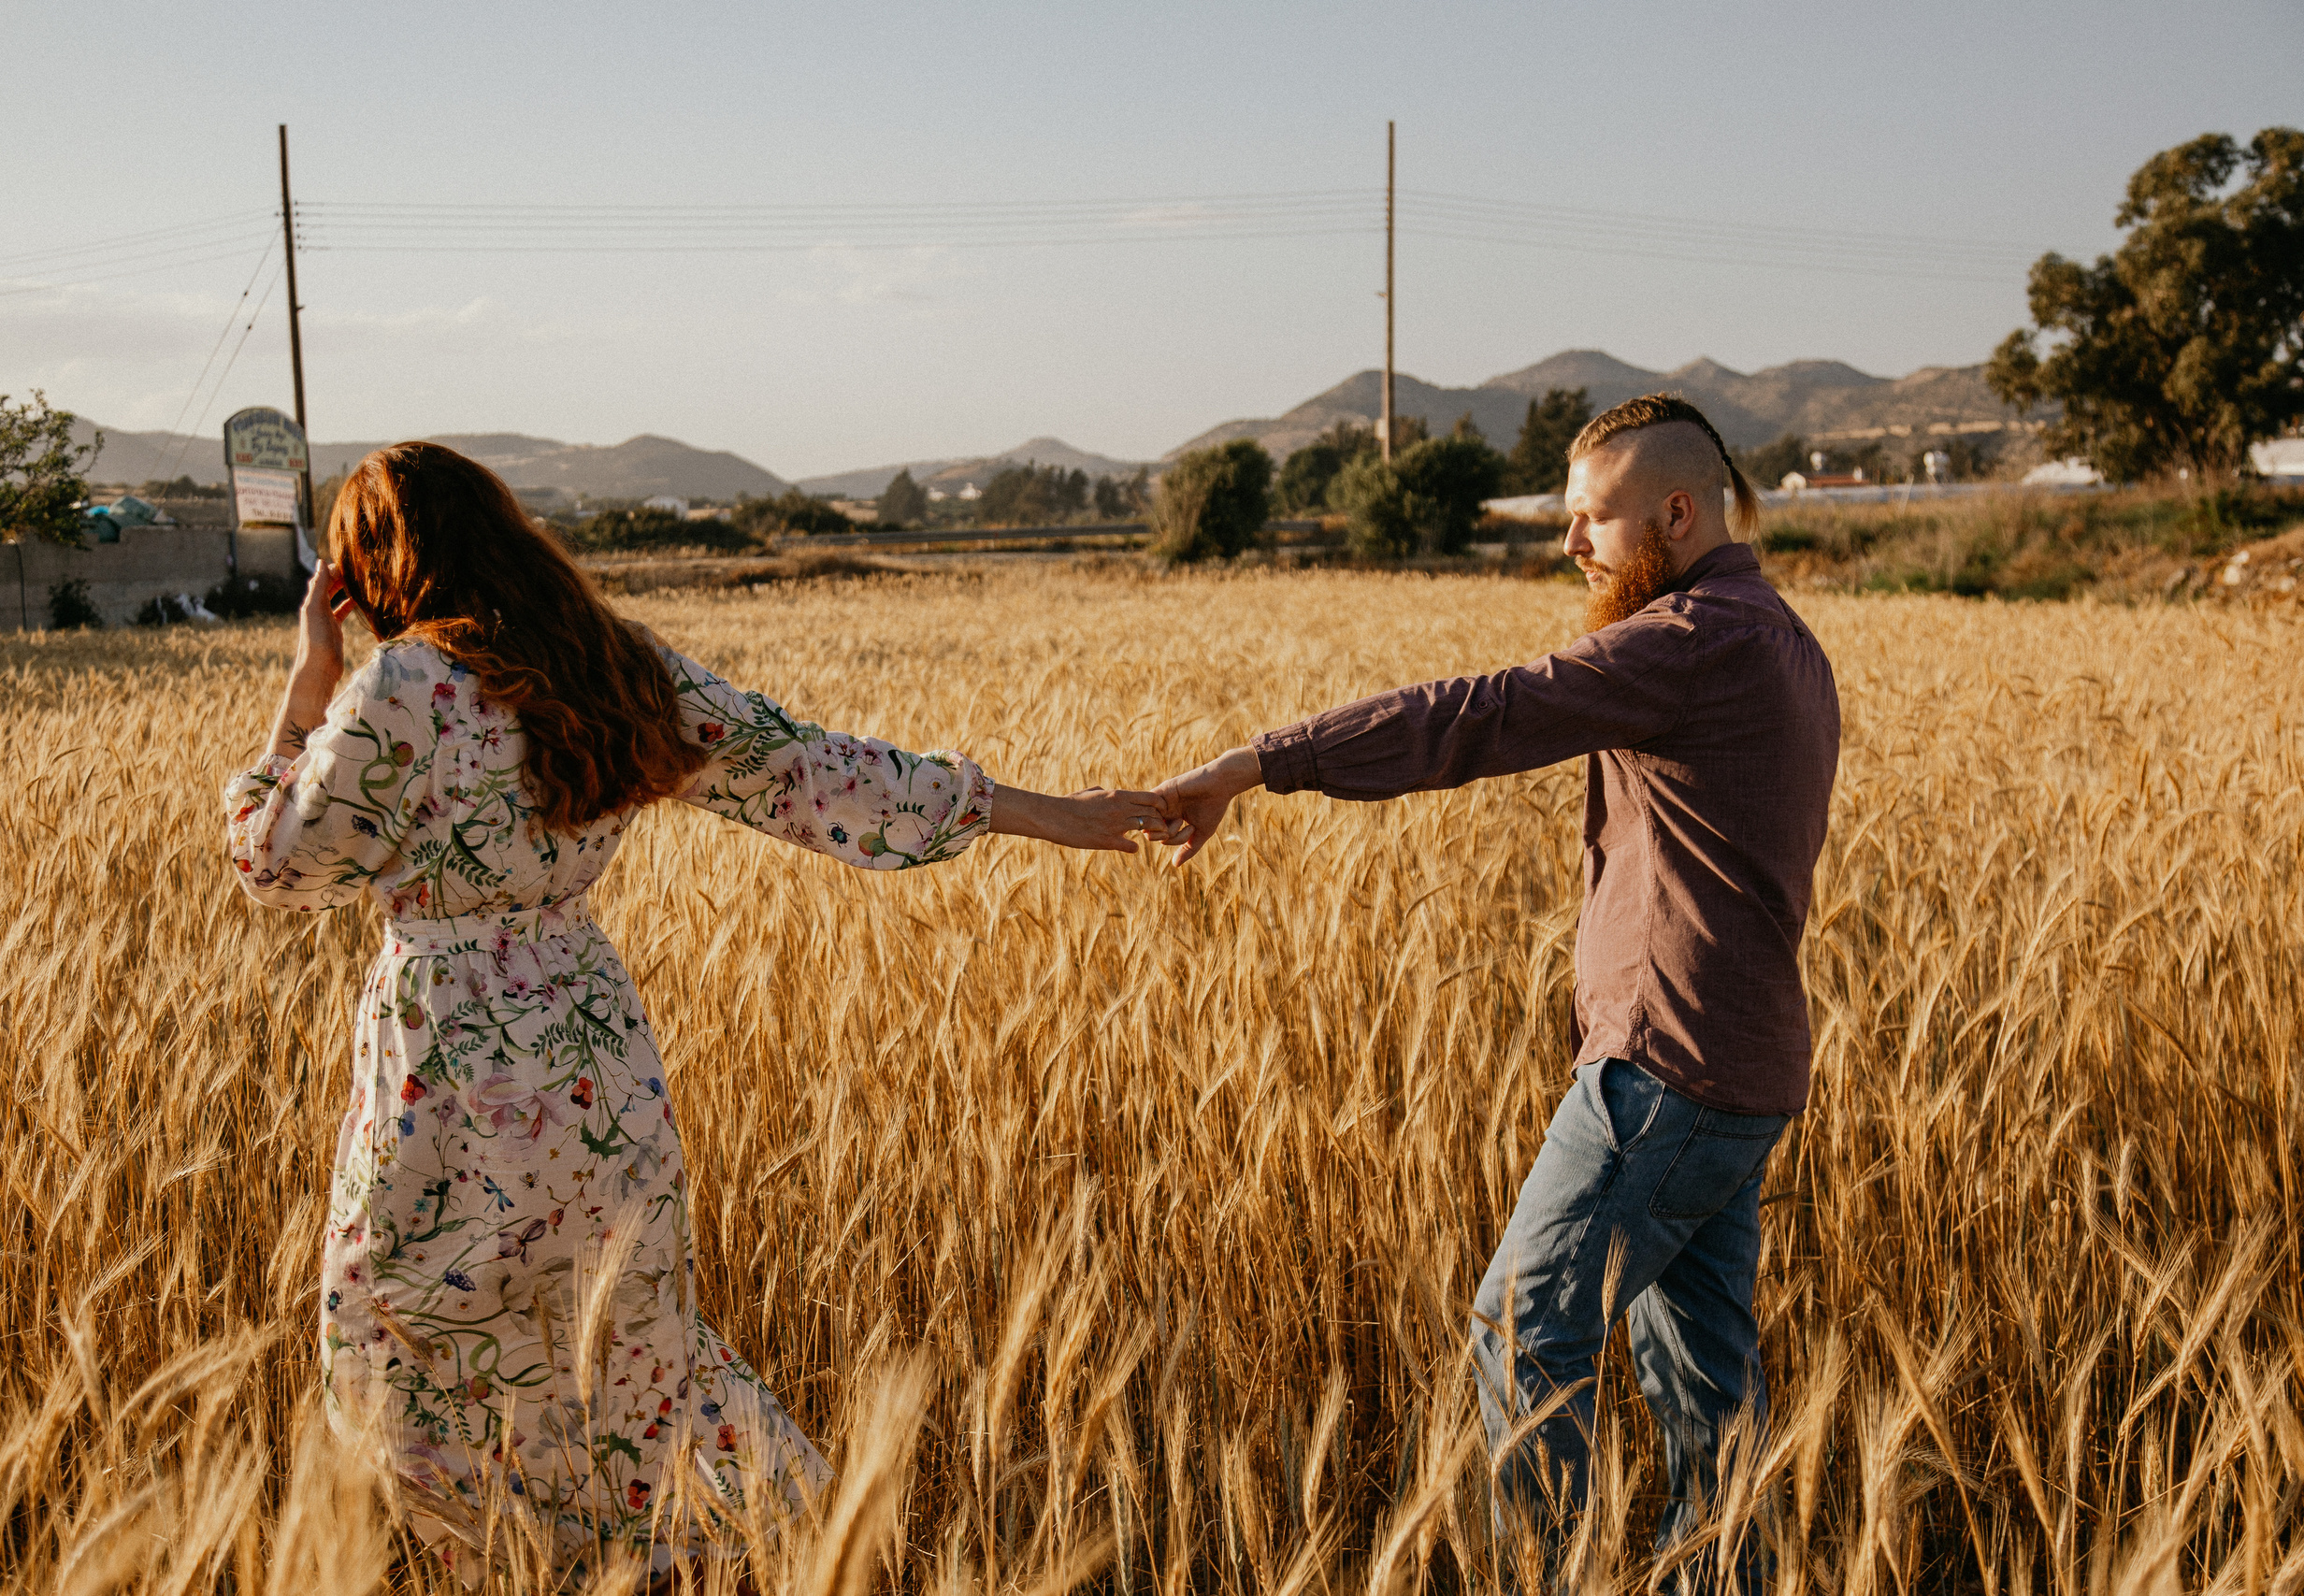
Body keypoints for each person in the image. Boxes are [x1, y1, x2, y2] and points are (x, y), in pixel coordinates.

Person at [224, 442, 1170, 1587]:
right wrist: (1050, 813)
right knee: (631, 1348)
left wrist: (305, 684)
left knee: (396, 1343)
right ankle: (697, 1558)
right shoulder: (607, 663)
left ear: (376, 571)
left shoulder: (404, 685)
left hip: (448, 1070)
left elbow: (275, 862)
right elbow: (808, 769)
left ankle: (536, 1572)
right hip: (595, 1064)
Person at [1150, 394, 1839, 1592]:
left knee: (1522, 1330)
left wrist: (1258, 764)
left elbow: (1481, 714)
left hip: (1664, 1068)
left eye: (1594, 520)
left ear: (1675, 514)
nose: (1571, 545)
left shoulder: (1687, 642)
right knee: (1706, 1391)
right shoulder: (1780, 635)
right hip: (1743, 1073)